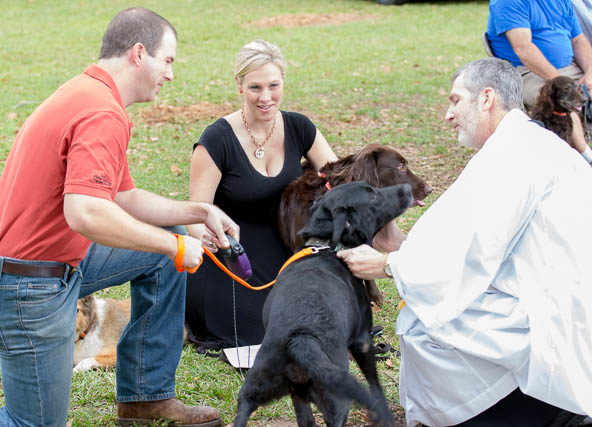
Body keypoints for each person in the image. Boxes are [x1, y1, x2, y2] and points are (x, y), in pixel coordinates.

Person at [0, 7, 237, 427]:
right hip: (24, 288)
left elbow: (123, 197)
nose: (171, 74)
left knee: (165, 248)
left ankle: (145, 398)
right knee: (30, 424)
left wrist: (200, 212)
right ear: (140, 53)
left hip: (43, 267)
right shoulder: (101, 112)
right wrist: (177, 246)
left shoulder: (90, 92)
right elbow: (86, 213)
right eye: (168, 60)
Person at [337, 58, 592, 426]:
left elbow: (467, 248)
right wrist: (400, 247)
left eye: (456, 101)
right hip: (564, 299)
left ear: (486, 98)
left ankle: (522, 412)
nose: (447, 114)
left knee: (424, 326)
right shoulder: (531, 142)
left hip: (554, 316)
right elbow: (465, 241)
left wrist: (386, 264)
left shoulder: (511, 154)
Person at [185, 39, 338, 350]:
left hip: (288, 248)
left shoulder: (299, 127)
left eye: (273, 85)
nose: (266, 97)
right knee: (263, 330)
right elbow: (195, 215)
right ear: (239, 85)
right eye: (255, 87)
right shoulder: (215, 140)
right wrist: (213, 240)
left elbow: (340, 181)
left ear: (283, 82)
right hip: (235, 256)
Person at [486, 0, 592, 163]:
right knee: (563, 100)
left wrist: (590, 74)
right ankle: (587, 158)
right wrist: (561, 81)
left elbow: (578, 40)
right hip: (526, 71)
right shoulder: (507, 2)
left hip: (569, 67)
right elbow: (523, 48)